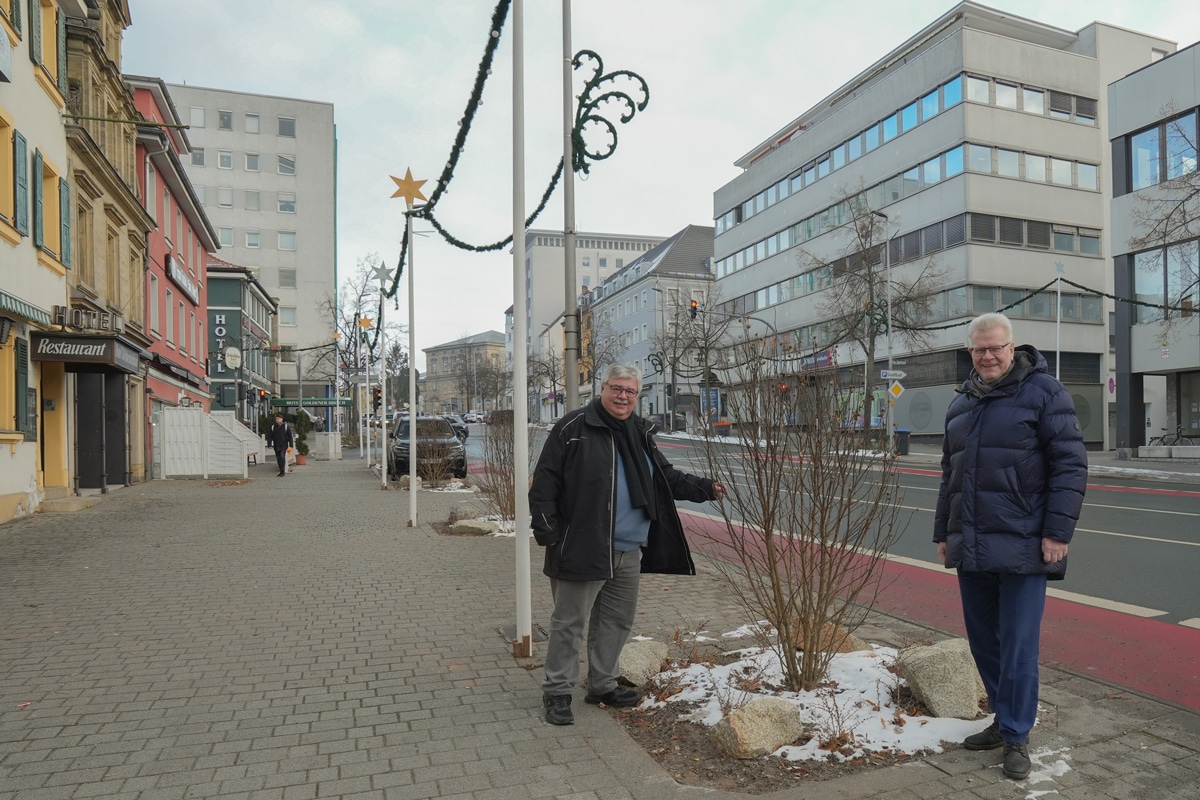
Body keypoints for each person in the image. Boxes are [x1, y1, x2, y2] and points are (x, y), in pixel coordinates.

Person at [933, 313, 1087, 781]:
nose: (987, 356)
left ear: (1012, 346)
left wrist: (1058, 533)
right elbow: (950, 476)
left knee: (1019, 647)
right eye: (979, 349)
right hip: (972, 544)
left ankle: (1017, 735)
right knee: (985, 643)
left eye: (995, 347)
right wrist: (944, 532)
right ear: (970, 352)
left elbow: (1070, 466)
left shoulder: (1044, 393)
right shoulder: (962, 403)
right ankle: (1003, 721)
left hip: (1023, 546)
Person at [530, 364, 727, 726]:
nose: (623, 396)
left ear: (637, 396)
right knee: (569, 624)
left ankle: (602, 684)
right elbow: (545, 484)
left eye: (630, 392)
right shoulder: (573, 428)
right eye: (616, 389)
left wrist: (705, 488)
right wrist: (549, 533)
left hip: (629, 550)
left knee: (615, 622)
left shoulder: (640, 432)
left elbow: (664, 478)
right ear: (602, 389)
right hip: (582, 546)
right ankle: (557, 691)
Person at [266, 413, 294, 477]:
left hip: (284, 444)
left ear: (282, 419)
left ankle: (282, 471)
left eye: (278, 418)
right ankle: (281, 470)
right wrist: (269, 444)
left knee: (282, 456)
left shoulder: (286, 427)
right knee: (278, 458)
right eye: (276, 418)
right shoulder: (273, 427)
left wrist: (291, 444)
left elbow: (290, 436)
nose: (277, 420)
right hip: (276, 444)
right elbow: (270, 436)